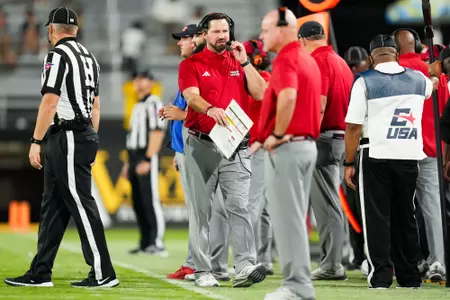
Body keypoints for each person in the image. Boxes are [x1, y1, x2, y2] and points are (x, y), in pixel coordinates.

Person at [4, 7, 119, 288]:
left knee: (80, 203)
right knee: (53, 206)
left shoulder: (56, 55)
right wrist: (92, 136)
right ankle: (40, 271)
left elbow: (50, 101)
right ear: (76, 30)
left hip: (67, 134)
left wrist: (35, 140)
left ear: (51, 29)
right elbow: (96, 104)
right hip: (81, 133)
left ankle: (103, 272)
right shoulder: (89, 58)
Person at [178, 12, 268, 288]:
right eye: (216, 32)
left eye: (225, 32)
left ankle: (244, 266)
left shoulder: (239, 62)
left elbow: (262, 92)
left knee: (240, 208)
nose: (222, 37)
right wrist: (209, 108)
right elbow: (191, 96)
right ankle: (203, 270)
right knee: (201, 211)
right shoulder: (191, 64)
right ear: (204, 35)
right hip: (202, 144)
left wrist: (245, 62)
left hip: (235, 145)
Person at [344, 34, 432, 289]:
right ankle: (409, 276)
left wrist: (349, 163)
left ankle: (381, 275)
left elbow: (353, 126)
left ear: (371, 58)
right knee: (407, 216)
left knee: (377, 218)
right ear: (396, 53)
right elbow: (432, 86)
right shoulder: (419, 79)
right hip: (408, 156)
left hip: (376, 155)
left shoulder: (365, 81)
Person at [259, 7, 320, 300]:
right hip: (305, 144)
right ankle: (299, 282)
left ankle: (297, 286)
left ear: (282, 30)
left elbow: (289, 96)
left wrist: (278, 134)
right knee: (295, 219)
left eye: (266, 29)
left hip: (289, 147)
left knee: (288, 221)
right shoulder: (306, 58)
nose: (261, 36)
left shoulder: (287, 58)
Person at [208, 39, 274, 277]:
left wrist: (262, 140)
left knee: (250, 208)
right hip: (233, 145)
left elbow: (273, 110)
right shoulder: (233, 77)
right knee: (231, 208)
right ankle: (229, 264)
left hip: (256, 148)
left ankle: (251, 262)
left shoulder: (262, 79)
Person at [299, 20, 354, 280]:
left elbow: (319, 104)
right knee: (332, 202)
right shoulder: (341, 62)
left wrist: (308, 138)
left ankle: (332, 264)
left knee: (326, 204)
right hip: (343, 138)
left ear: (302, 40)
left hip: (323, 138)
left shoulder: (318, 61)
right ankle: (335, 259)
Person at [394, 28, 446, 281]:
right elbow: (446, 114)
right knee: (433, 208)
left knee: (400, 208)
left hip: (399, 148)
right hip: (431, 149)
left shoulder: (392, 71)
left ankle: (404, 261)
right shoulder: (433, 72)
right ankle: (437, 262)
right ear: (415, 45)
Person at [163, 23, 203, 280]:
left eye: (185, 38)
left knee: (202, 211)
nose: (180, 43)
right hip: (185, 149)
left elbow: (211, 110)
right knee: (197, 211)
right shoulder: (189, 68)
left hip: (198, 148)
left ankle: (199, 263)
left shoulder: (200, 67)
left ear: (198, 38)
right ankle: (195, 261)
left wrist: (181, 114)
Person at [120, 68, 167, 256]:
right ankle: (145, 241)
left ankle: (157, 242)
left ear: (151, 82)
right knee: (138, 201)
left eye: (143, 79)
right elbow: (132, 136)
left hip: (146, 155)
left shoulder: (154, 102)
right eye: (137, 79)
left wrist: (148, 158)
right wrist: (127, 163)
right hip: (133, 157)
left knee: (150, 200)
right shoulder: (137, 105)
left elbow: (157, 131)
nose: (138, 82)